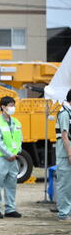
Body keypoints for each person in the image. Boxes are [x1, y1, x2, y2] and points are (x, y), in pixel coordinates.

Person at [0, 96, 22, 219]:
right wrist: (9, 154)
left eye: (13, 105)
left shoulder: (17, 122)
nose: (12, 108)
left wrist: (17, 152)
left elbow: (20, 139)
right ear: (3, 107)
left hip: (13, 159)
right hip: (0, 158)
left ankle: (10, 209)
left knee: (11, 184)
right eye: (10, 105)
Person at [55, 89, 71, 221]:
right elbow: (65, 136)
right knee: (65, 184)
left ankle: (68, 211)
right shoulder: (64, 113)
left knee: (69, 184)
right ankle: (63, 213)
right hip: (65, 154)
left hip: (68, 153)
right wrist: (70, 154)